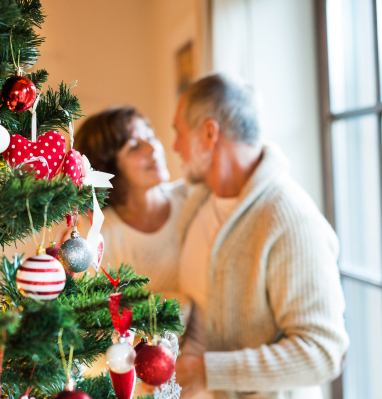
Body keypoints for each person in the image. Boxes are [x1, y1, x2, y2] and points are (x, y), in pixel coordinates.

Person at [172, 74, 349, 399]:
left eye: (178, 133)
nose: (174, 147)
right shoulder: (196, 200)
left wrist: (204, 371)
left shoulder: (290, 219)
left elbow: (324, 352)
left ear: (209, 134)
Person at [73, 106, 188, 295]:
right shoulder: (99, 236)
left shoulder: (190, 199)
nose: (153, 148)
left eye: (151, 137)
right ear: (110, 170)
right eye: (134, 147)